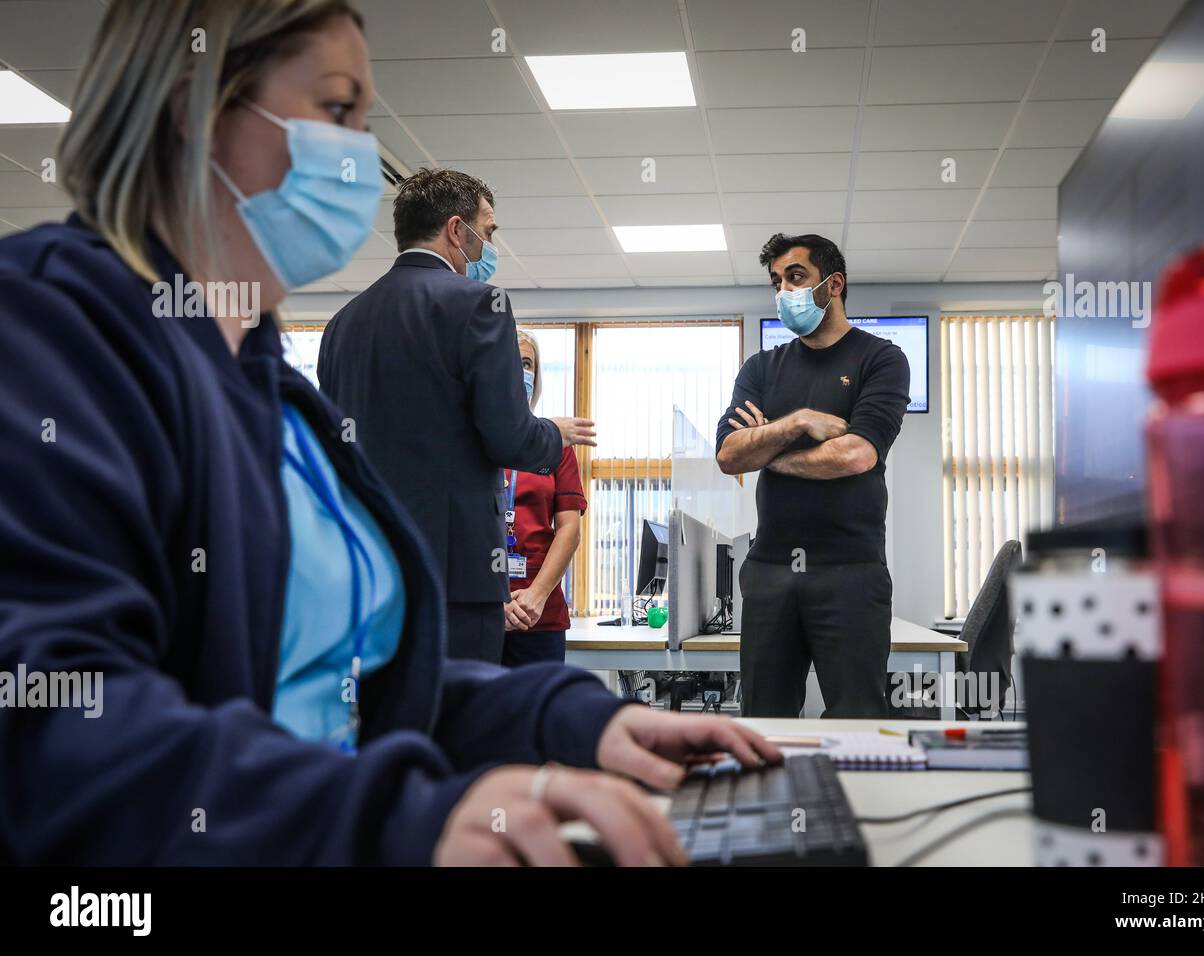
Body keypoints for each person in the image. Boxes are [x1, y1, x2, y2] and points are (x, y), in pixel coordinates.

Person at [0, 0, 780, 867]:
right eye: (338, 111)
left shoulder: (274, 390)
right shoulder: (43, 329)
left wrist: (571, 716)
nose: (359, 156)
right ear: (192, 112)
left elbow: (353, 690)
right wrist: (392, 817)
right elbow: (52, 724)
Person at [317, 167, 594, 665]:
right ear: (454, 230)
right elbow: (509, 438)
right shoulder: (477, 304)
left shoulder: (342, 324)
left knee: (389, 726)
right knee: (465, 727)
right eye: (486, 232)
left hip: (368, 574)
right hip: (457, 577)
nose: (489, 246)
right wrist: (553, 432)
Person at [715, 234, 910, 719]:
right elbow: (728, 454)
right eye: (776, 282)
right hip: (769, 571)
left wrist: (768, 452)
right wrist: (798, 422)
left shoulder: (881, 360)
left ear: (833, 284)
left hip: (851, 572)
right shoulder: (761, 368)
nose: (783, 291)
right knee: (764, 721)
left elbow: (855, 455)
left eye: (796, 277)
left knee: (857, 720)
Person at [502, 330, 586, 666]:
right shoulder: (471, 442)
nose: (521, 371)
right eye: (513, 363)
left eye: (527, 364)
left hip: (540, 614)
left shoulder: (555, 445)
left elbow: (570, 529)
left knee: (539, 717)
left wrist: (536, 596)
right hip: (481, 613)